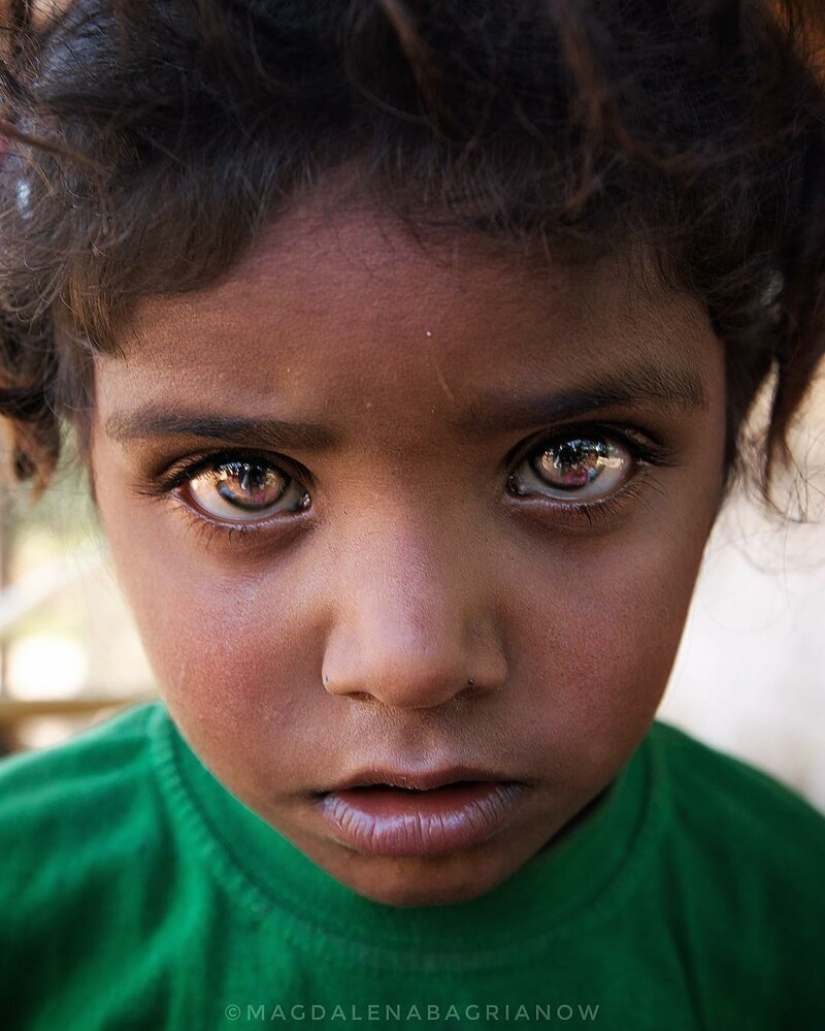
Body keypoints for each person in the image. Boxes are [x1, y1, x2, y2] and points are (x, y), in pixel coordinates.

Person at [0, 1, 823, 1027]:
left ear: (730, 434)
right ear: (82, 452)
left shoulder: (794, 924)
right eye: (243, 479)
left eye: (573, 461)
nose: (410, 661)